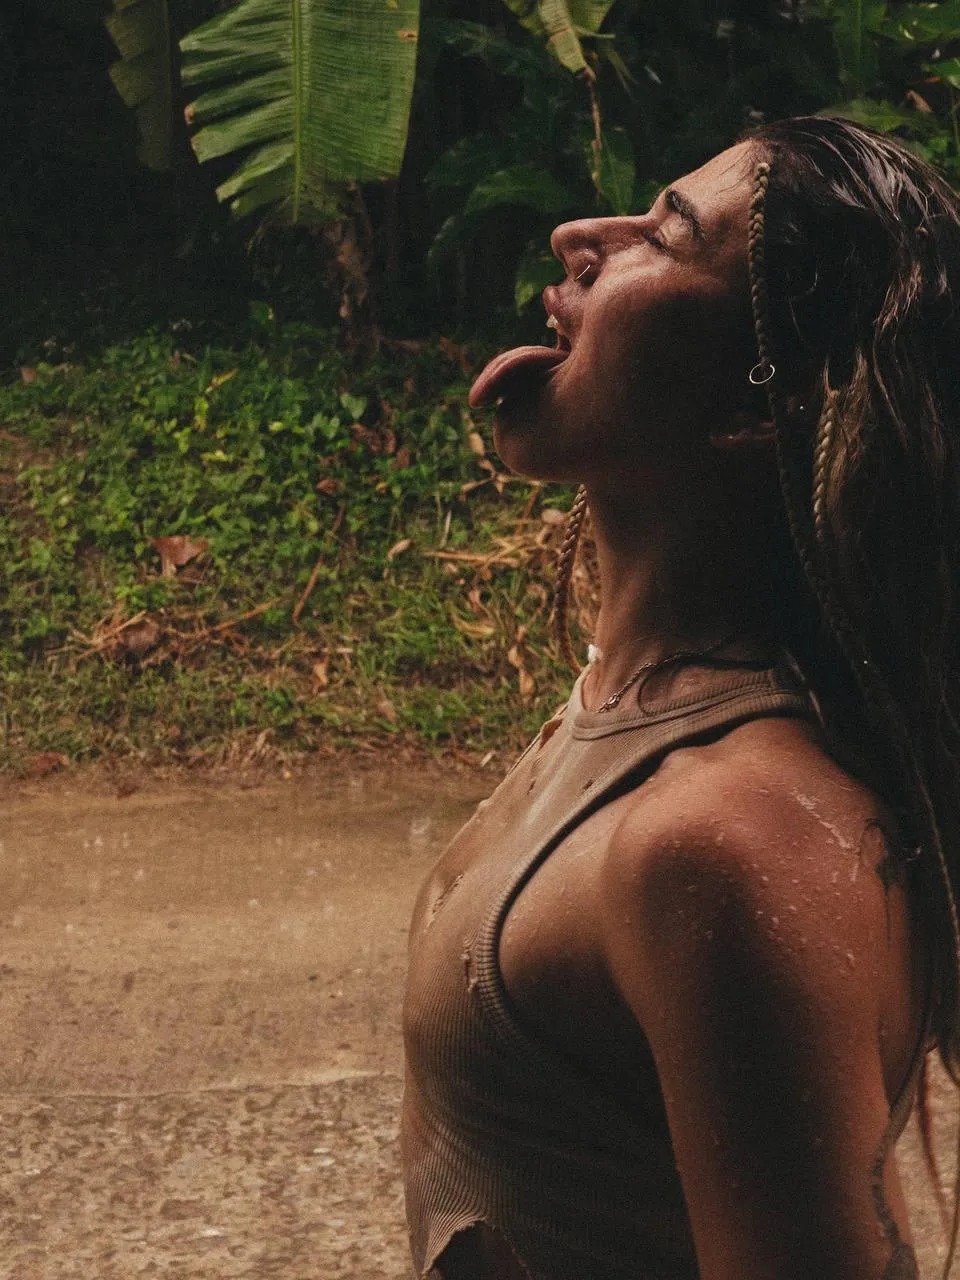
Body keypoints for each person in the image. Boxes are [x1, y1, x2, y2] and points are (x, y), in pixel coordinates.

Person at [401, 115, 960, 1280]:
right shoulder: (618, 709)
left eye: (667, 230)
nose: (577, 236)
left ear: (753, 409)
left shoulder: (723, 843)